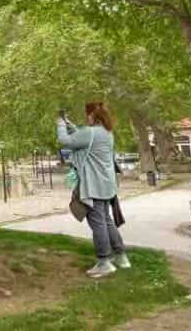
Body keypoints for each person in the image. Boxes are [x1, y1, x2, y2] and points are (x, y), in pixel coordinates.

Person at [57, 102, 130, 278]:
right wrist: (70, 125)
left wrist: (60, 124)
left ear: (93, 116)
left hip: (94, 185)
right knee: (106, 221)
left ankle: (104, 262)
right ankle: (121, 257)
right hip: (106, 185)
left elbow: (65, 141)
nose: (86, 118)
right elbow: (83, 138)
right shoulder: (107, 133)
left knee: (98, 224)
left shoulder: (90, 133)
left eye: (88, 115)